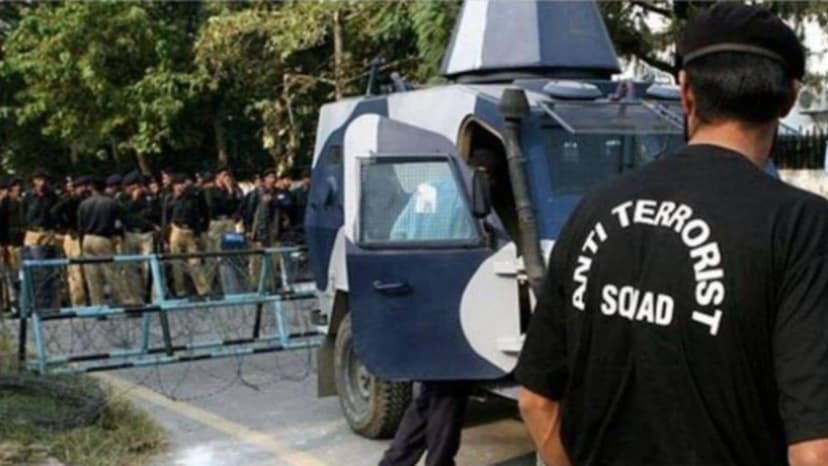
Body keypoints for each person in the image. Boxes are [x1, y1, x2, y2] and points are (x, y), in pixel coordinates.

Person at [516, 4, 828, 466]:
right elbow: (815, 451)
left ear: (686, 92)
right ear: (789, 98)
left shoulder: (595, 208)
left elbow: (537, 401)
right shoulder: (802, 228)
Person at [78, 177, 132, 305]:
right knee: (112, 272)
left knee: (93, 276)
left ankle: (97, 305)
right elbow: (124, 220)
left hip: (87, 239)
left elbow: (80, 225)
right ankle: (125, 302)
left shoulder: (83, 204)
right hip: (103, 238)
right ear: (104, 188)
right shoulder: (111, 203)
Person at [166, 173, 210, 297]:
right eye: (177, 184)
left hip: (190, 231)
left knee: (195, 261)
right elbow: (166, 217)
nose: (180, 187)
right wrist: (165, 237)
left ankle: (203, 289)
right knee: (176, 263)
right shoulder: (170, 199)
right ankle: (180, 290)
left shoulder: (192, 198)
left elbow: (197, 215)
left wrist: (198, 233)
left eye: (182, 184)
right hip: (176, 229)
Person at [51, 175, 91, 306]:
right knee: (75, 271)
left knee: (87, 270)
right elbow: (54, 212)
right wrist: (65, 227)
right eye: (82, 186)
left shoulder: (86, 199)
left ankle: (88, 299)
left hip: (85, 236)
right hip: (74, 236)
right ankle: (79, 302)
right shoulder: (69, 201)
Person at [121, 171, 159, 302]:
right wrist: (133, 200)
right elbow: (124, 213)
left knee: (148, 266)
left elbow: (153, 213)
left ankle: (153, 296)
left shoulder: (148, 198)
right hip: (130, 233)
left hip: (146, 234)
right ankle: (136, 297)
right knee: (131, 268)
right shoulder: (123, 198)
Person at [23, 169, 59, 248]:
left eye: (44, 180)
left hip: (48, 233)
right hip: (32, 233)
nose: (42, 183)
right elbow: (23, 212)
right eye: (39, 180)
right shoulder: (28, 196)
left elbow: (56, 212)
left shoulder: (52, 196)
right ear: (34, 181)